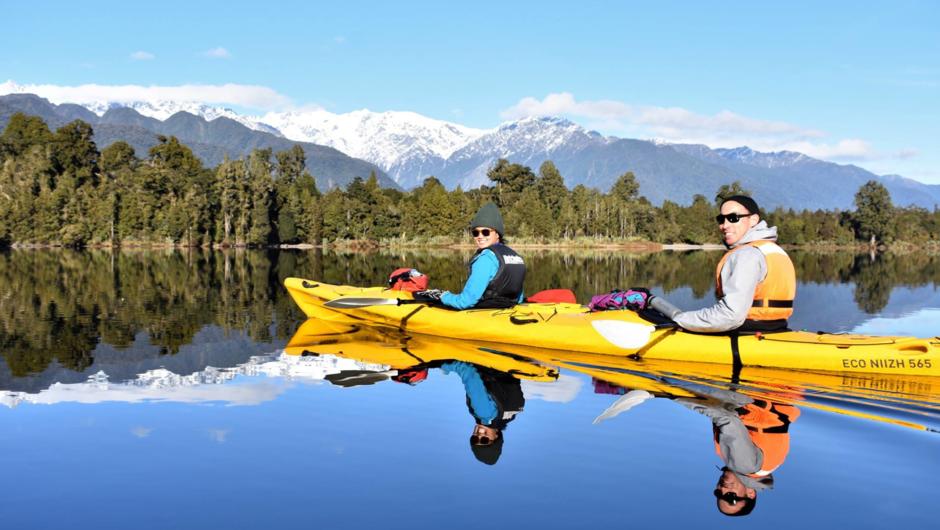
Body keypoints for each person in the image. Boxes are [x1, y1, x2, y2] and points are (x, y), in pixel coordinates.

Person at [658, 195, 796, 333]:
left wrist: (681, 319)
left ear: (753, 220)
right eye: (721, 219)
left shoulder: (748, 254)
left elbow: (730, 316)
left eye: (733, 218)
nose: (724, 225)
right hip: (776, 328)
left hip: (746, 331)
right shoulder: (774, 250)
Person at [420, 202, 526, 309]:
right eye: (476, 233)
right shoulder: (516, 257)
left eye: (485, 232)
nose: (480, 236)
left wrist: (443, 296)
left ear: (497, 234)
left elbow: (465, 302)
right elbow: (520, 298)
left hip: (487, 313)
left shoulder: (486, 259)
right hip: (510, 309)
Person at [440, 360, 525, 465]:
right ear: (496, 436)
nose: (479, 434)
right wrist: (443, 365)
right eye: (485, 440)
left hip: (512, 363)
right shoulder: (484, 414)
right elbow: (467, 371)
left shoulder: (510, 415)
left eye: (474, 439)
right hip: (492, 358)